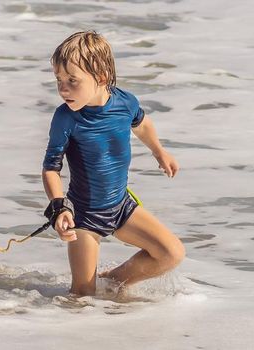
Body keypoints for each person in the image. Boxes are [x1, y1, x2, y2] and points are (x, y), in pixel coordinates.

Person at [41, 31, 186, 297]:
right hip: (83, 216)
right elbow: (51, 168)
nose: (63, 89)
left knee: (171, 253)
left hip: (121, 206)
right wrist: (59, 206)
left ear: (101, 78)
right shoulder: (66, 118)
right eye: (59, 80)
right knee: (82, 296)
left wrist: (159, 152)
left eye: (72, 81)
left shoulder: (125, 102)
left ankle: (114, 282)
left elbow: (142, 125)